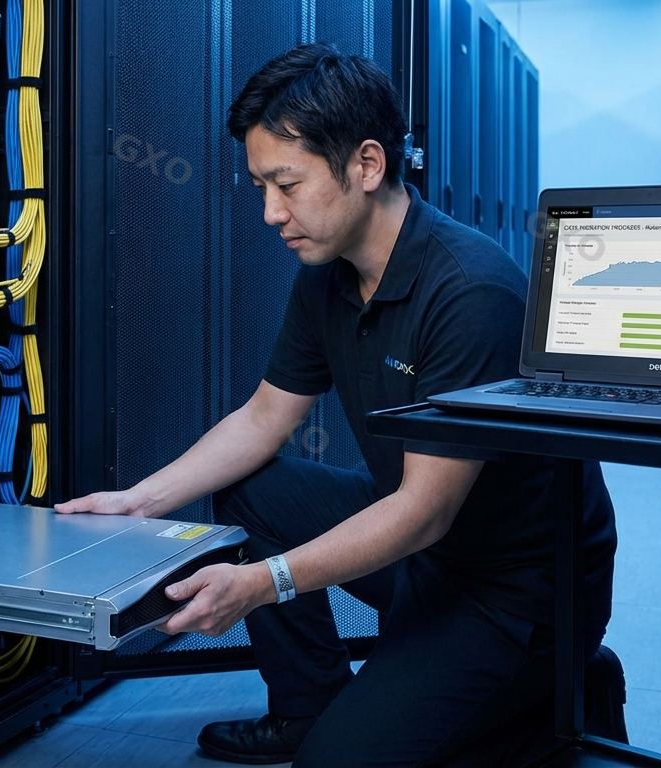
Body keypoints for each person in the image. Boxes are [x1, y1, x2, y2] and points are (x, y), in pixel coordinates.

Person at [57, 43, 617, 766]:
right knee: (255, 487)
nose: (270, 213)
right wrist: (137, 502)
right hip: (427, 554)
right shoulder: (329, 272)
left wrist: (261, 584)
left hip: (515, 592)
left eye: (287, 184)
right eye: (261, 187)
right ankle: (307, 708)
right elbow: (264, 419)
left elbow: (425, 511)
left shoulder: (471, 292)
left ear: (367, 165)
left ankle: (568, 685)